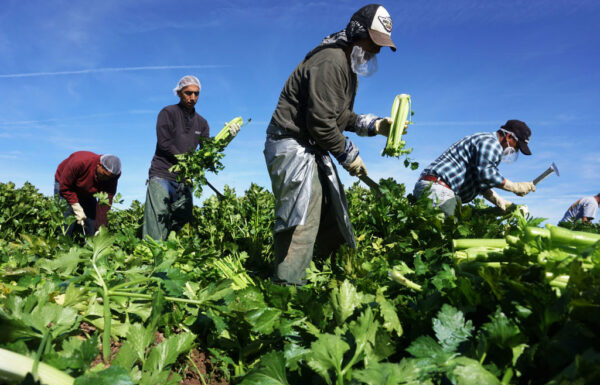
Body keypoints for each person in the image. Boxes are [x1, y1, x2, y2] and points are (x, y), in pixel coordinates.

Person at [264, 4, 397, 286]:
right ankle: (286, 288)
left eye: (381, 46)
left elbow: (341, 117)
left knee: (331, 209)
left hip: (311, 145)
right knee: (301, 217)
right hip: (293, 144)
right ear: (357, 32)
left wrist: (374, 126)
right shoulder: (331, 61)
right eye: (373, 43)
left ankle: (326, 278)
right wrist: (349, 155)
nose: (376, 51)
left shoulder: (346, 68)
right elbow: (322, 123)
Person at [142, 75, 240, 240]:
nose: (193, 98)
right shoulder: (168, 113)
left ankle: (169, 248)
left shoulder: (202, 123)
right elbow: (164, 142)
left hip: (184, 178)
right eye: (188, 93)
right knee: (157, 217)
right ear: (179, 93)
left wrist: (228, 138)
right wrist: (186, 160)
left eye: (196, 94)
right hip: (162, 174)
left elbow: (208, 152)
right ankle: (150, 257)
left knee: (184, 216)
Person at [413, 120, 535, 216]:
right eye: (517, 146)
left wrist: (499, 200)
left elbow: (481, 181)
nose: (515, 150)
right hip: (439, 191)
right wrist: (515, 187)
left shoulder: (484, 140)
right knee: (448, 237)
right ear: (509, 137)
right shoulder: (492, 144)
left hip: (431, 188)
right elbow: (487, 175)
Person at [54, 151, 121, 235]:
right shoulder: (79, 162)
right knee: (67, 220)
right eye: (104, 175)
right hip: (66, 184)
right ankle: (62, 243)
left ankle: (90, 242)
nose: (106, 179)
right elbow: (65, 187)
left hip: (87, 189)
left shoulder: (113, 176)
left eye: (110, 177)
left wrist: (100, 228)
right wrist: (76, 206)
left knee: (92, 221)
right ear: (99, 165)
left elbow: (105, 201)